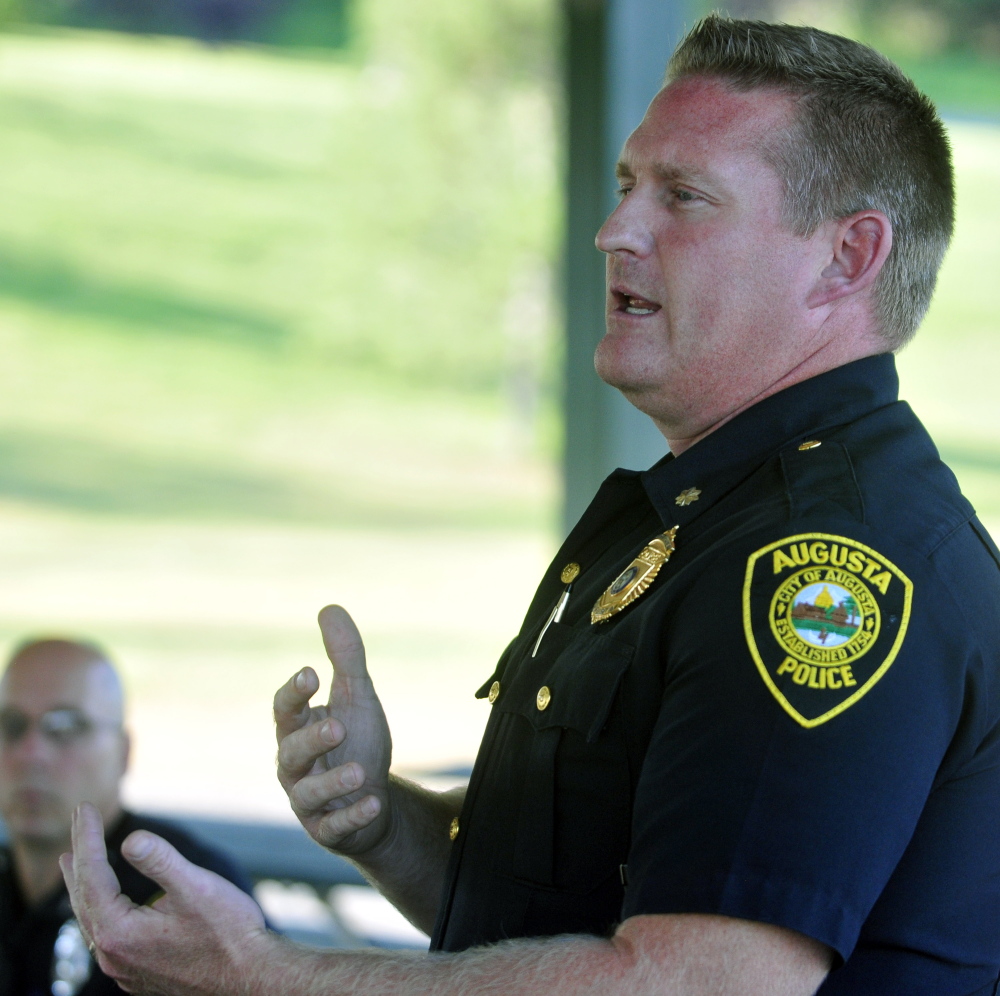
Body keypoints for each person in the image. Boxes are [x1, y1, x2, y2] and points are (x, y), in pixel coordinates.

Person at [61, 15, 1000, 996]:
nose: (615, 230)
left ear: (846, 259)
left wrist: (266, 975)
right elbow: (558, 921)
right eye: (629, 184)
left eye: (683, 196)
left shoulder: (827, 562)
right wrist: (387, 824)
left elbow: (698, 984)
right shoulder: (700, 518)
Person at [0, 638, 263, 996]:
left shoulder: (187, 890)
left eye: (64, 727)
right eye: (11, 725)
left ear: (124, 752)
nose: (31, 754)